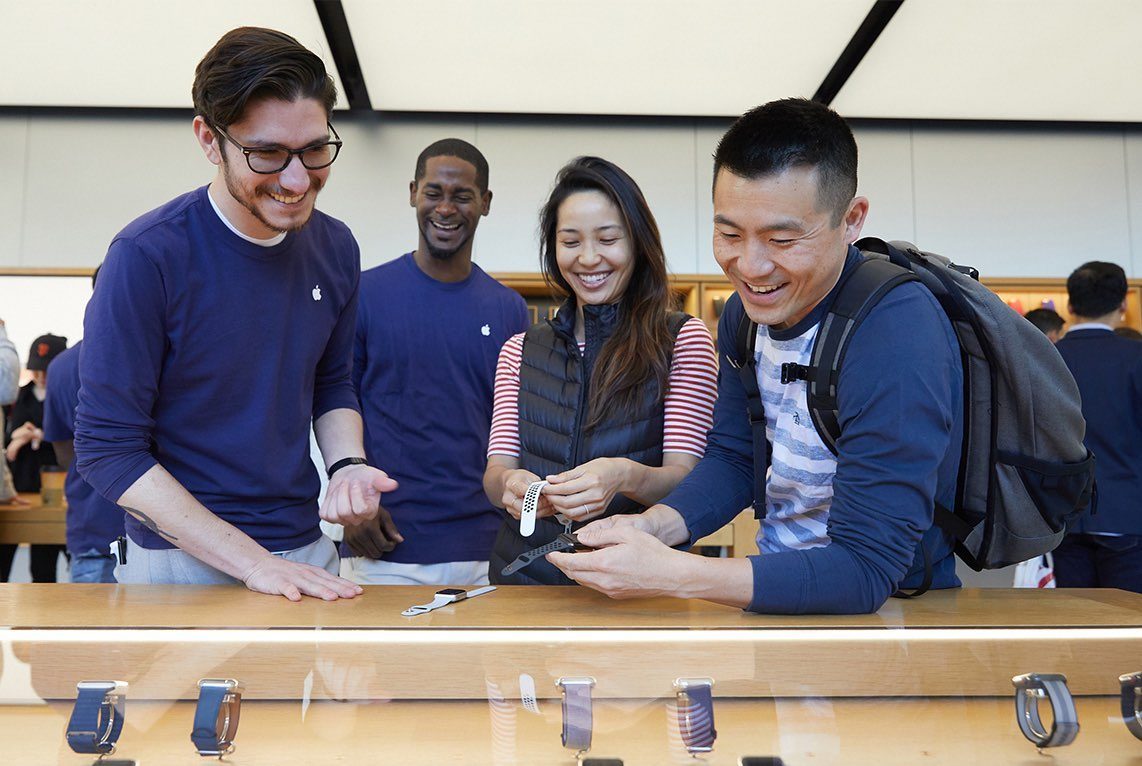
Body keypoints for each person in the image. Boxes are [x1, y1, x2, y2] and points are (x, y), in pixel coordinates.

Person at [549, 99, 964, 614]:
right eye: (728, 234)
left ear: (851, 219)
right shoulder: (743, 318)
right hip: (772, 599)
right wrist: (650, 525)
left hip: (888, 618)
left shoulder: (897, 328)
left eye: (782, 239)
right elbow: (735, 457)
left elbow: (864, 569)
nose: (750, 266)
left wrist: (675, 573)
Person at [73, 27, 397, 601]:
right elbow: (108, 450)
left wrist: (348, 463)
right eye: (267, 153)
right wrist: (252, 563)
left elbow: (332, 381)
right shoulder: (147, 257)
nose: (298, 180)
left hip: (303, 548)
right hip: (180, 561)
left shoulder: (336, 247)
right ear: (208, 139)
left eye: (316, 149)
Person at [484, 156, 718, 585]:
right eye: (570, 242)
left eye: (608, 239)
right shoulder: (519, 350)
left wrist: (623, 476)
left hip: (637, 585)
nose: (589, 259)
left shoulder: (683, 341)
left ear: (638, 242)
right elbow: (496, 471)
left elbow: (689, 483)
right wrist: (510, 486)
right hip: (524, 581)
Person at [343, 139, 529, 585]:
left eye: (462, 196)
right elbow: (335, 405)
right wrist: (353, 507)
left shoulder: (509, 310)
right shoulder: (364, 294)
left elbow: (516, 429)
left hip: (488, 550)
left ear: (484, 203)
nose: (445, 208)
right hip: (382, 549)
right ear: (413, 193)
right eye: (433, 193)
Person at [1052, 262, 1142, 592]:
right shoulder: (1136, 357)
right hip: (1130, 512)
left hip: (1062, 514)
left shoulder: (1047, 356)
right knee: (1132, 628)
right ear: (1123, 304)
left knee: (1078, 628)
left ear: (1071, 305)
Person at [43, 267, 125, 583]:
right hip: (163, 534)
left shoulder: (62, 366)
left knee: (90, 630)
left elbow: (64, 453)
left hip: (92, 523)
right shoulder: (161, 358)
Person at [3, 333, 69, 582]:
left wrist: (45, 434)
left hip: (54, 489)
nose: (40, 377)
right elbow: (8, 441)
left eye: (46, 371)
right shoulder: (17, 396)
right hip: (19, 488)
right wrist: (16, 439)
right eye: (36, 371)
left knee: (44, 565)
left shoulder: (65, 396)